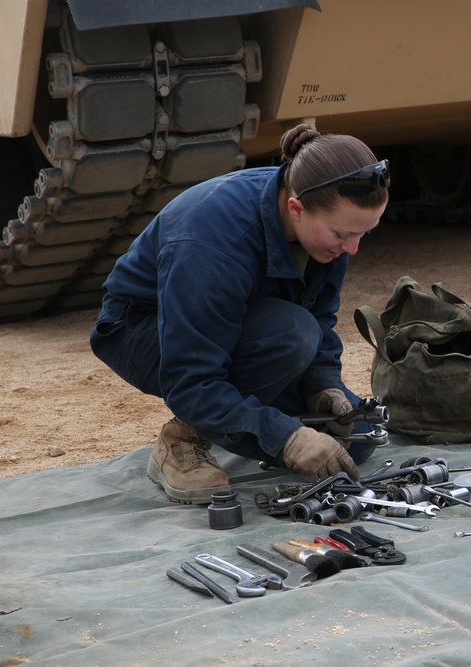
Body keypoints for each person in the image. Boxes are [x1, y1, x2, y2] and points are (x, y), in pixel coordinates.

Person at [89, 123, 388, 504]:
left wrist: (322, 386)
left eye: (365, 233)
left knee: (354, 441)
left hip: (244, 323)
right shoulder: (212, 245)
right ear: (295, 208)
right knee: (292, 335)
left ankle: (243, 417)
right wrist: (287, 437)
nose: (353, 248)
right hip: (144, 330)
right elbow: (191, 378)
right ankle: (182, 439)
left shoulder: (329, 228)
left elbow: (321, 316)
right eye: (344, 235)